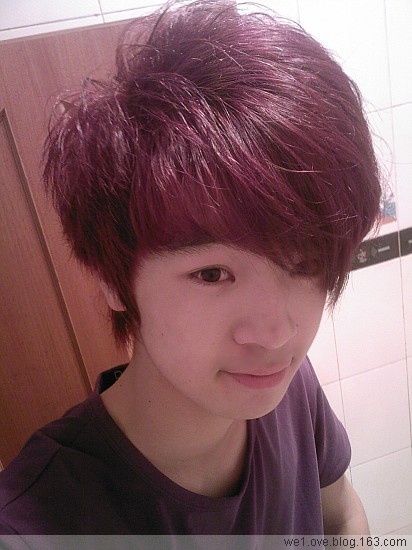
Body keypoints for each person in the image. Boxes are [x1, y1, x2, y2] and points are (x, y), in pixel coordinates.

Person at [0, 0, 381, 537]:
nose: (277, 334)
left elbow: (341, 514)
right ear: (113, 279)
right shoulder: (31, 525)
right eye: (212, 274)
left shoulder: (288, 387)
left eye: (305, 263)